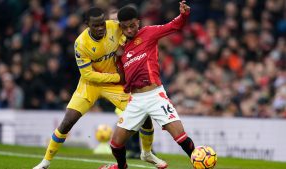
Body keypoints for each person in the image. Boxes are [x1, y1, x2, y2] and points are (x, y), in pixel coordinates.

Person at [33, 7, 167, 169]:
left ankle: (147, 153)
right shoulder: (81, 44)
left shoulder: (114, 27)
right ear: (87, 24)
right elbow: (88, 74)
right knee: (67, 122)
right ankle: (45, 163)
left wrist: (124, 52)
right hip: (91, 85)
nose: (100, 28)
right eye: (95, 25)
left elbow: (132, 35)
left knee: (145, 117)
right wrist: (117, 77)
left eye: (101, 24)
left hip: (115, 86)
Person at [99, 1, 195, 169]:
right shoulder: (122, 50)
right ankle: (122, 166)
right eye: (125, 27)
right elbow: (123, 77)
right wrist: (117, 60)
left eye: (132, 25)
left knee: (181, 137)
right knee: (115, 144)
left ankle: (197, 163)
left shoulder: (149, 33)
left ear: (138, 22)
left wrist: (184, 15)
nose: (129, 30)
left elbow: (173, 26)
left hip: (155, 95)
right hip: (135, 100)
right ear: (121, 27)